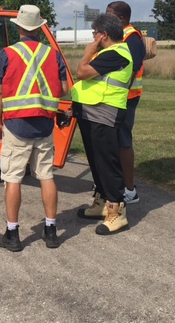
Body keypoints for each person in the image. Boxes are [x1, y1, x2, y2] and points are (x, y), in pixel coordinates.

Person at [0, 5, 69, 251]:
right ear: (39, 28)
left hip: (16, 125)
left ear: (18, 27)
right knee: (46, 175)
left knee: (12, 178)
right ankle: (51, 231)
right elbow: (65, 89)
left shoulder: (6, 54)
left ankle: (12, 234)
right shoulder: (52, 55)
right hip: (45, 125)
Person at [71, 13, 133, 235]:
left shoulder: (116, 53)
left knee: (107, 162)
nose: (93, 37)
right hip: (91, 112)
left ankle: (117, 211)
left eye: (94, 33)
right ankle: (102, 202)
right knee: (96, 161)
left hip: (104, 114)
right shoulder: (109, 53)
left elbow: (82, 72)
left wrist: (88, 53)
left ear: (103, 35)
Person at [106, 1, 145, 205]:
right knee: (116, 142)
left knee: (123, 143)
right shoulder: (121, 37)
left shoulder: (132, 38)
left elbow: (131, 68)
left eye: (110, 16)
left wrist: (118, 95)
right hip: (118, 98)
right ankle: (119, 184)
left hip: (126, 99)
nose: (106, 19)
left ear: (121, 18)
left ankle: (130, 190)